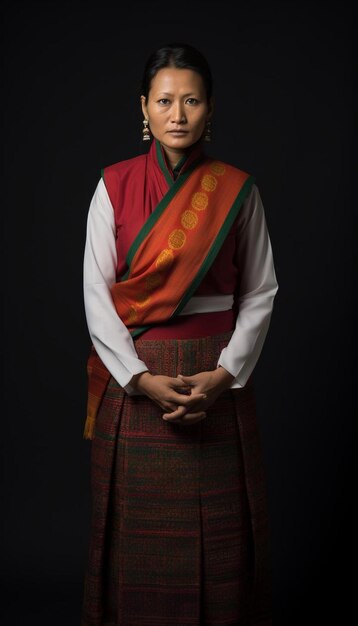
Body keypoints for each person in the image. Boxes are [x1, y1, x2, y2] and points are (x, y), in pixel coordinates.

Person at [81, 42, 279, 626]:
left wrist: (223, 376)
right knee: (137, 551)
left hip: (212, 377)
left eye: (191, 99)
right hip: (137, 378)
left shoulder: (238, 190)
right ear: (143, 107)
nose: (178, 113)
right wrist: (140, 379)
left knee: (221, 549)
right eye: (165, 100)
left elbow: (261, 291)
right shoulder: (111, 186)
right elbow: (96, 296)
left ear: (209, 107)